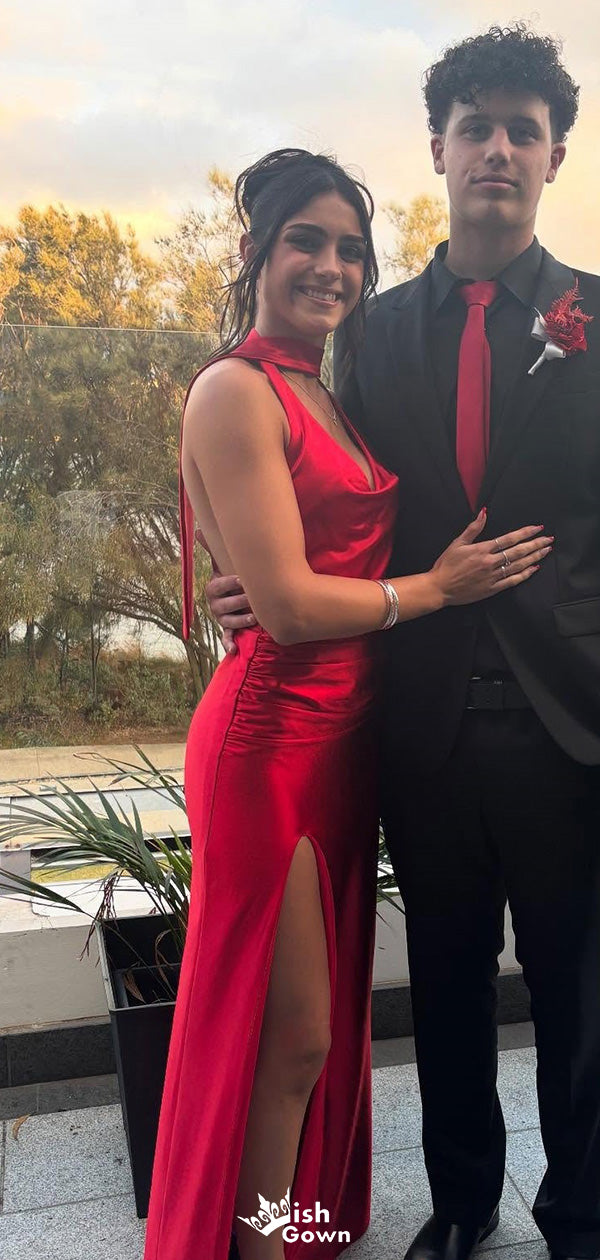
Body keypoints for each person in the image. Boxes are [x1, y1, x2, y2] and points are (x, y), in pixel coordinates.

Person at [206, 26, 600, 1260]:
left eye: (523, 131)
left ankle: (581, 1214)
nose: (498, 150)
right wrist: (249, 581)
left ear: (555, 156)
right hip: (413, 719)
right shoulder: (366, 333)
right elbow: (320, 492)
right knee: (444, 982)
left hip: (571, 719)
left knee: (582, 992)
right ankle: (464, 1200)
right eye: (476, 127)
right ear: (440, 147)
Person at [142, 147, 548, 1260]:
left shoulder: (323, 384)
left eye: (351, 251)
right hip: (271, 743)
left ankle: (276, 1230)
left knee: (303, 1036)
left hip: (342, 744)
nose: (331, 267)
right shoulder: (236, 387)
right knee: (296, 1040)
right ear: (255, 252)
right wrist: (437, 589)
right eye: (306, 242)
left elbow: (299, 557)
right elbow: (283, 605)